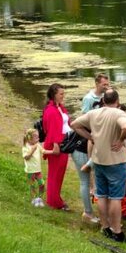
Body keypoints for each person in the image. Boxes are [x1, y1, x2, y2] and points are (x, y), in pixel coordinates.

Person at [71, 89, 126, 241]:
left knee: (102, 195)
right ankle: (117, 231)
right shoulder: (119, 113)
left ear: (103, 101)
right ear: (117, 101)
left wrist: (90, 137)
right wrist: (120, 140)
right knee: (116, 197)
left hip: (98, 160)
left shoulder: (94, 113)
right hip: (115, 161)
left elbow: (74, 124)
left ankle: (105, 227)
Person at [41, 83, 73, 211]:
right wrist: (56, 146)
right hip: (58, 145)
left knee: (59, 173)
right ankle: (54, 201)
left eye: (63, 93)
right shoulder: (51, 110)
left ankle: (54, 198)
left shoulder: (60, 107)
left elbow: (66, 123)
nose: (63, 96)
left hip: (64, 143)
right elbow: (53, 129)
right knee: (55, 173)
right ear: (54, 95)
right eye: (61, 94)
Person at [23, 128, 46, 206]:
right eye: (36, 137)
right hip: (30, 171)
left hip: (38, 170)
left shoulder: (38, 145)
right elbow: (26, 157)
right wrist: (32, 150)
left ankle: (39, 198)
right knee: (32, 185)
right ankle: (34, 199)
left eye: (38, 137)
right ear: (30, 138)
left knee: (42, 184)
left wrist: (53, 151)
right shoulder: (25, 147)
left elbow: (44, 151)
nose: (38, 139)